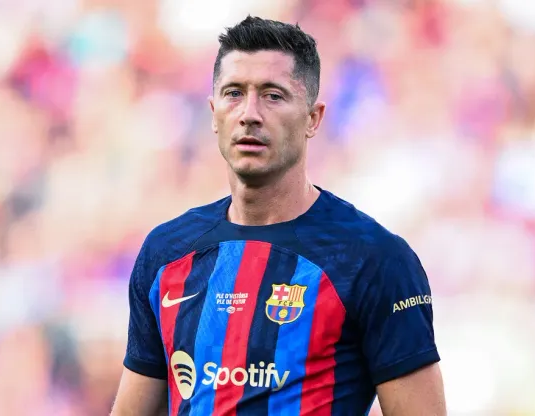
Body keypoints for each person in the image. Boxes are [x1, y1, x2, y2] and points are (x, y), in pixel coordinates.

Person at [111, 16, 446, 416]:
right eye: (234, 93)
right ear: (214, 112)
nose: (250, 113)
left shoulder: (373, 259)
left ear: (313, 118)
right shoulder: (166, 253)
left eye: (273, 95)